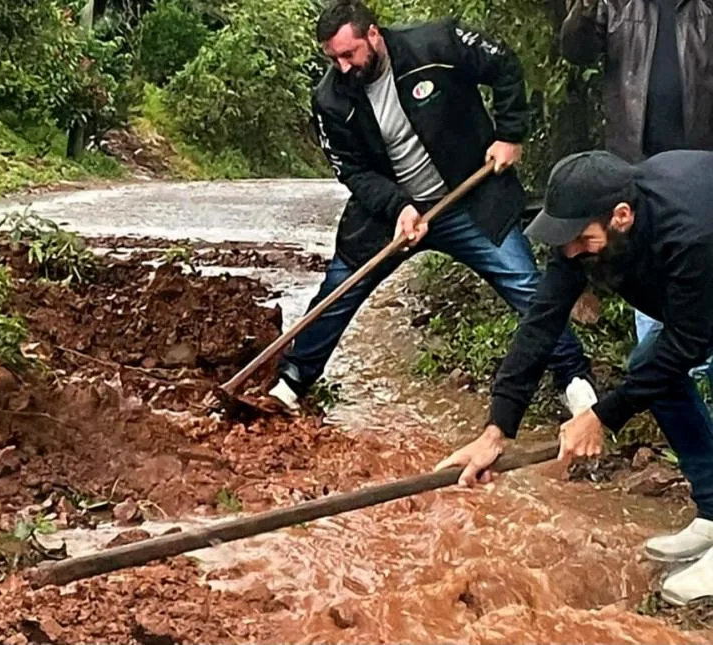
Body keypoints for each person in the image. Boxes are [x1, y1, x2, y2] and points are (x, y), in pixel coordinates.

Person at [267, 0, 597, 417]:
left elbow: (504, 65)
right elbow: (352, 171)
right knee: (339, 290)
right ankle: (293, 380)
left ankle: (574, 378)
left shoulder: (437, 44)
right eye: (334, 59)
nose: (344, 67)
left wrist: (510, 133)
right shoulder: (330, 100)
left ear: (373, 34)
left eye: (349, 54)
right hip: (391, 216)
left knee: (526, 286)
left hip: (468, 200)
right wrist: (399, 206)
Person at [437, 149, 713, 606]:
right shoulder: (583, 236)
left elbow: (688, 344)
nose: (570, 252)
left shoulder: (692, 235)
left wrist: (601, 416)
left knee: (663, 361)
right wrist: (497, 429)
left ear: (622, 217)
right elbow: (541, 323)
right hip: (696, 297)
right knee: (649, 365)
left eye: (582, 240)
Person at [559, 0, 713, 377]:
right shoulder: (613, 4)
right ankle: (668, 379)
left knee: (699, 289)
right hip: (636, 166)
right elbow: (576, 51)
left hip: (700, 169)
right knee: (646, 279)